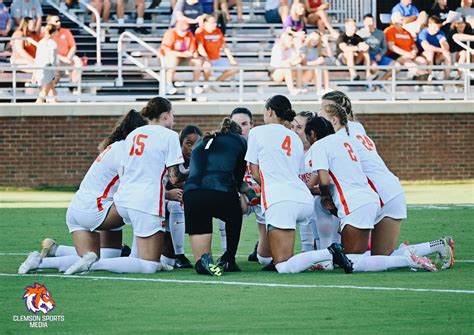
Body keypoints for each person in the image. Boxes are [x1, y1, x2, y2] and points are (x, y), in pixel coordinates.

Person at [318, 90, 454, 266]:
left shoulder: (339, 138)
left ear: (335, 116)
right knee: (381, 258)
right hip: (394, 191)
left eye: (323, 110)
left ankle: (410, 260)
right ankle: (435, 246)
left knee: (354, 260)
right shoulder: (357, 128)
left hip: (377, 194)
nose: (319, 115)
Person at [18, 109, 149, 275]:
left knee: (101, 258)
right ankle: (144, 258)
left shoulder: (114, 146)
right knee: (142, 206)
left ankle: (41, 260)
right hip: (96, 209)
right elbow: (133, 185)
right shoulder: (125, 150)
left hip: (77, 209)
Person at [68, 97, 186, 275]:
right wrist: (200, 168)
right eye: (173, 114)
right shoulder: (169, 136)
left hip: (123, 201)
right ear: (166, 116)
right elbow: (175, 177)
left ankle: (79, 259)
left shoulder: (133, 135)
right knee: (149, 265)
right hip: (146, 201)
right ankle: (93, 264)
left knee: (135, 255)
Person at [245, 95, 354, 274]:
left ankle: (329, 252)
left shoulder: (257, 132)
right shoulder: (295, 137)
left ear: (270, 111)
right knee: (269, 259)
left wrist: (266, 188)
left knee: (282, 266)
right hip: (302, 199)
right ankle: (324, 254)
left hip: (279, 199)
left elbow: (254, 171)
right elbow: (296, 172)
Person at [183, 117, 248, 275]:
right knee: (235, 214)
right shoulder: (240, 141)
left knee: (202, 254)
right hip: (219, 191)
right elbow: (238, 178)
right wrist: (243, 194)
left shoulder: (203, 141)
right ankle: (228, 259)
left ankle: (202, 262)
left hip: (191, 194)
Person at [161, 125, 203, 269]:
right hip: (160, 203)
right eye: (188, 143)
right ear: (180, 143)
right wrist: (167, 194)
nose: (191, 148)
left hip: (186, 206)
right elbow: (154, 185)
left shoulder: (200, 160)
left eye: (195, 144)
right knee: (175, 205)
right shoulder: (170, 159)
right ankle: (180, 255)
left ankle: (226, 254)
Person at [159, 20, 204, 95]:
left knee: (198, 61)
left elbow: (193, 49)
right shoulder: (170, 33)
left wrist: (193, 53)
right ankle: (169, 84)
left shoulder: (189, 34)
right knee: (173, 59)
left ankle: (195, 84)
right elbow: (167, 51)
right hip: (169, 58)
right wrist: (182, 54)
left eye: (186, 30)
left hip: (184, 58)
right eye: (182, 30)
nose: (184, 32)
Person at [384, 12, 430, 80]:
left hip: (409, 54)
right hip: (396, 55)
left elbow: (413, 46)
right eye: (400, 19)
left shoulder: (407, 32)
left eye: (402, 19)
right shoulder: (389, 31)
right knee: (408, 61)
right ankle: (423, 75)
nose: (402, 21)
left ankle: (418, 77)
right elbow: (392, 47)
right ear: (394, 21)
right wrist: (406, 53)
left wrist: (414, 52)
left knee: (423, 61)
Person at [195, 15, 238, 85]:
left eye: (215, 22)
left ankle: (216, 82)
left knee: (235, 68)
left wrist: (231, 59)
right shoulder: (200, 31)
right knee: (207, 66)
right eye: (212, 23)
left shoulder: (218, 31)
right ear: (205, 23)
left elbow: (224, 46)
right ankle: (206, 83)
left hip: (216, 58)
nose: (215, 24)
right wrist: (207, 58)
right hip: (205, 59)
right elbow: (200, 47)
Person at [46, 15, 83, 88]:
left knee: (78, 61)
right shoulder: (46, 34)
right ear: (49, 23)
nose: (59, 23)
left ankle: (73, 86)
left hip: (67, 57)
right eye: (56, 21)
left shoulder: (66, 31)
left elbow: (73, 46)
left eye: (59, 21)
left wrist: (68, 57)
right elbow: (48, 51)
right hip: (55, 58)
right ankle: (52, 86)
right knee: (54, 61)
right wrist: (62, 58)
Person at [358, 13, 396, 81]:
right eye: (368, 21)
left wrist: (380, 55)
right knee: (375, 68)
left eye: (372, 21)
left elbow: (385, 48)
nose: (371, 23)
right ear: (364, 22)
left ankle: (381, 81)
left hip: (379, 56)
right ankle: (376, 84)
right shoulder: (359, 33)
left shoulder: (380, 33)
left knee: (397, 67)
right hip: (367, 58)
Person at [417, 15, 452, 79]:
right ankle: (430, 75)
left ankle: (448, 77)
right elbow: (427, 47)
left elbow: (446, 49)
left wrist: (443, 43)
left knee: (447, 54)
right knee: (430, 52)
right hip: (423, 57)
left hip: (436, 58)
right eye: (435, 27)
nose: (437, 29)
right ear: (429, 25)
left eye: (438, 27)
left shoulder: (441, 33)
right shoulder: (423, 33)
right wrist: (441, 50)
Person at [34, 24, 59, 103]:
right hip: (48, 70)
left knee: (51, 90)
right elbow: (52, 60)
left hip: (41, 69)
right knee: (44, 92)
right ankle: (35, 108)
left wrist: (35, 72)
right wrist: (55, 72)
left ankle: (55, 104)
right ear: (54, 32)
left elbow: (37, 58)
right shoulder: (52, 44)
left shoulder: (40, 42)